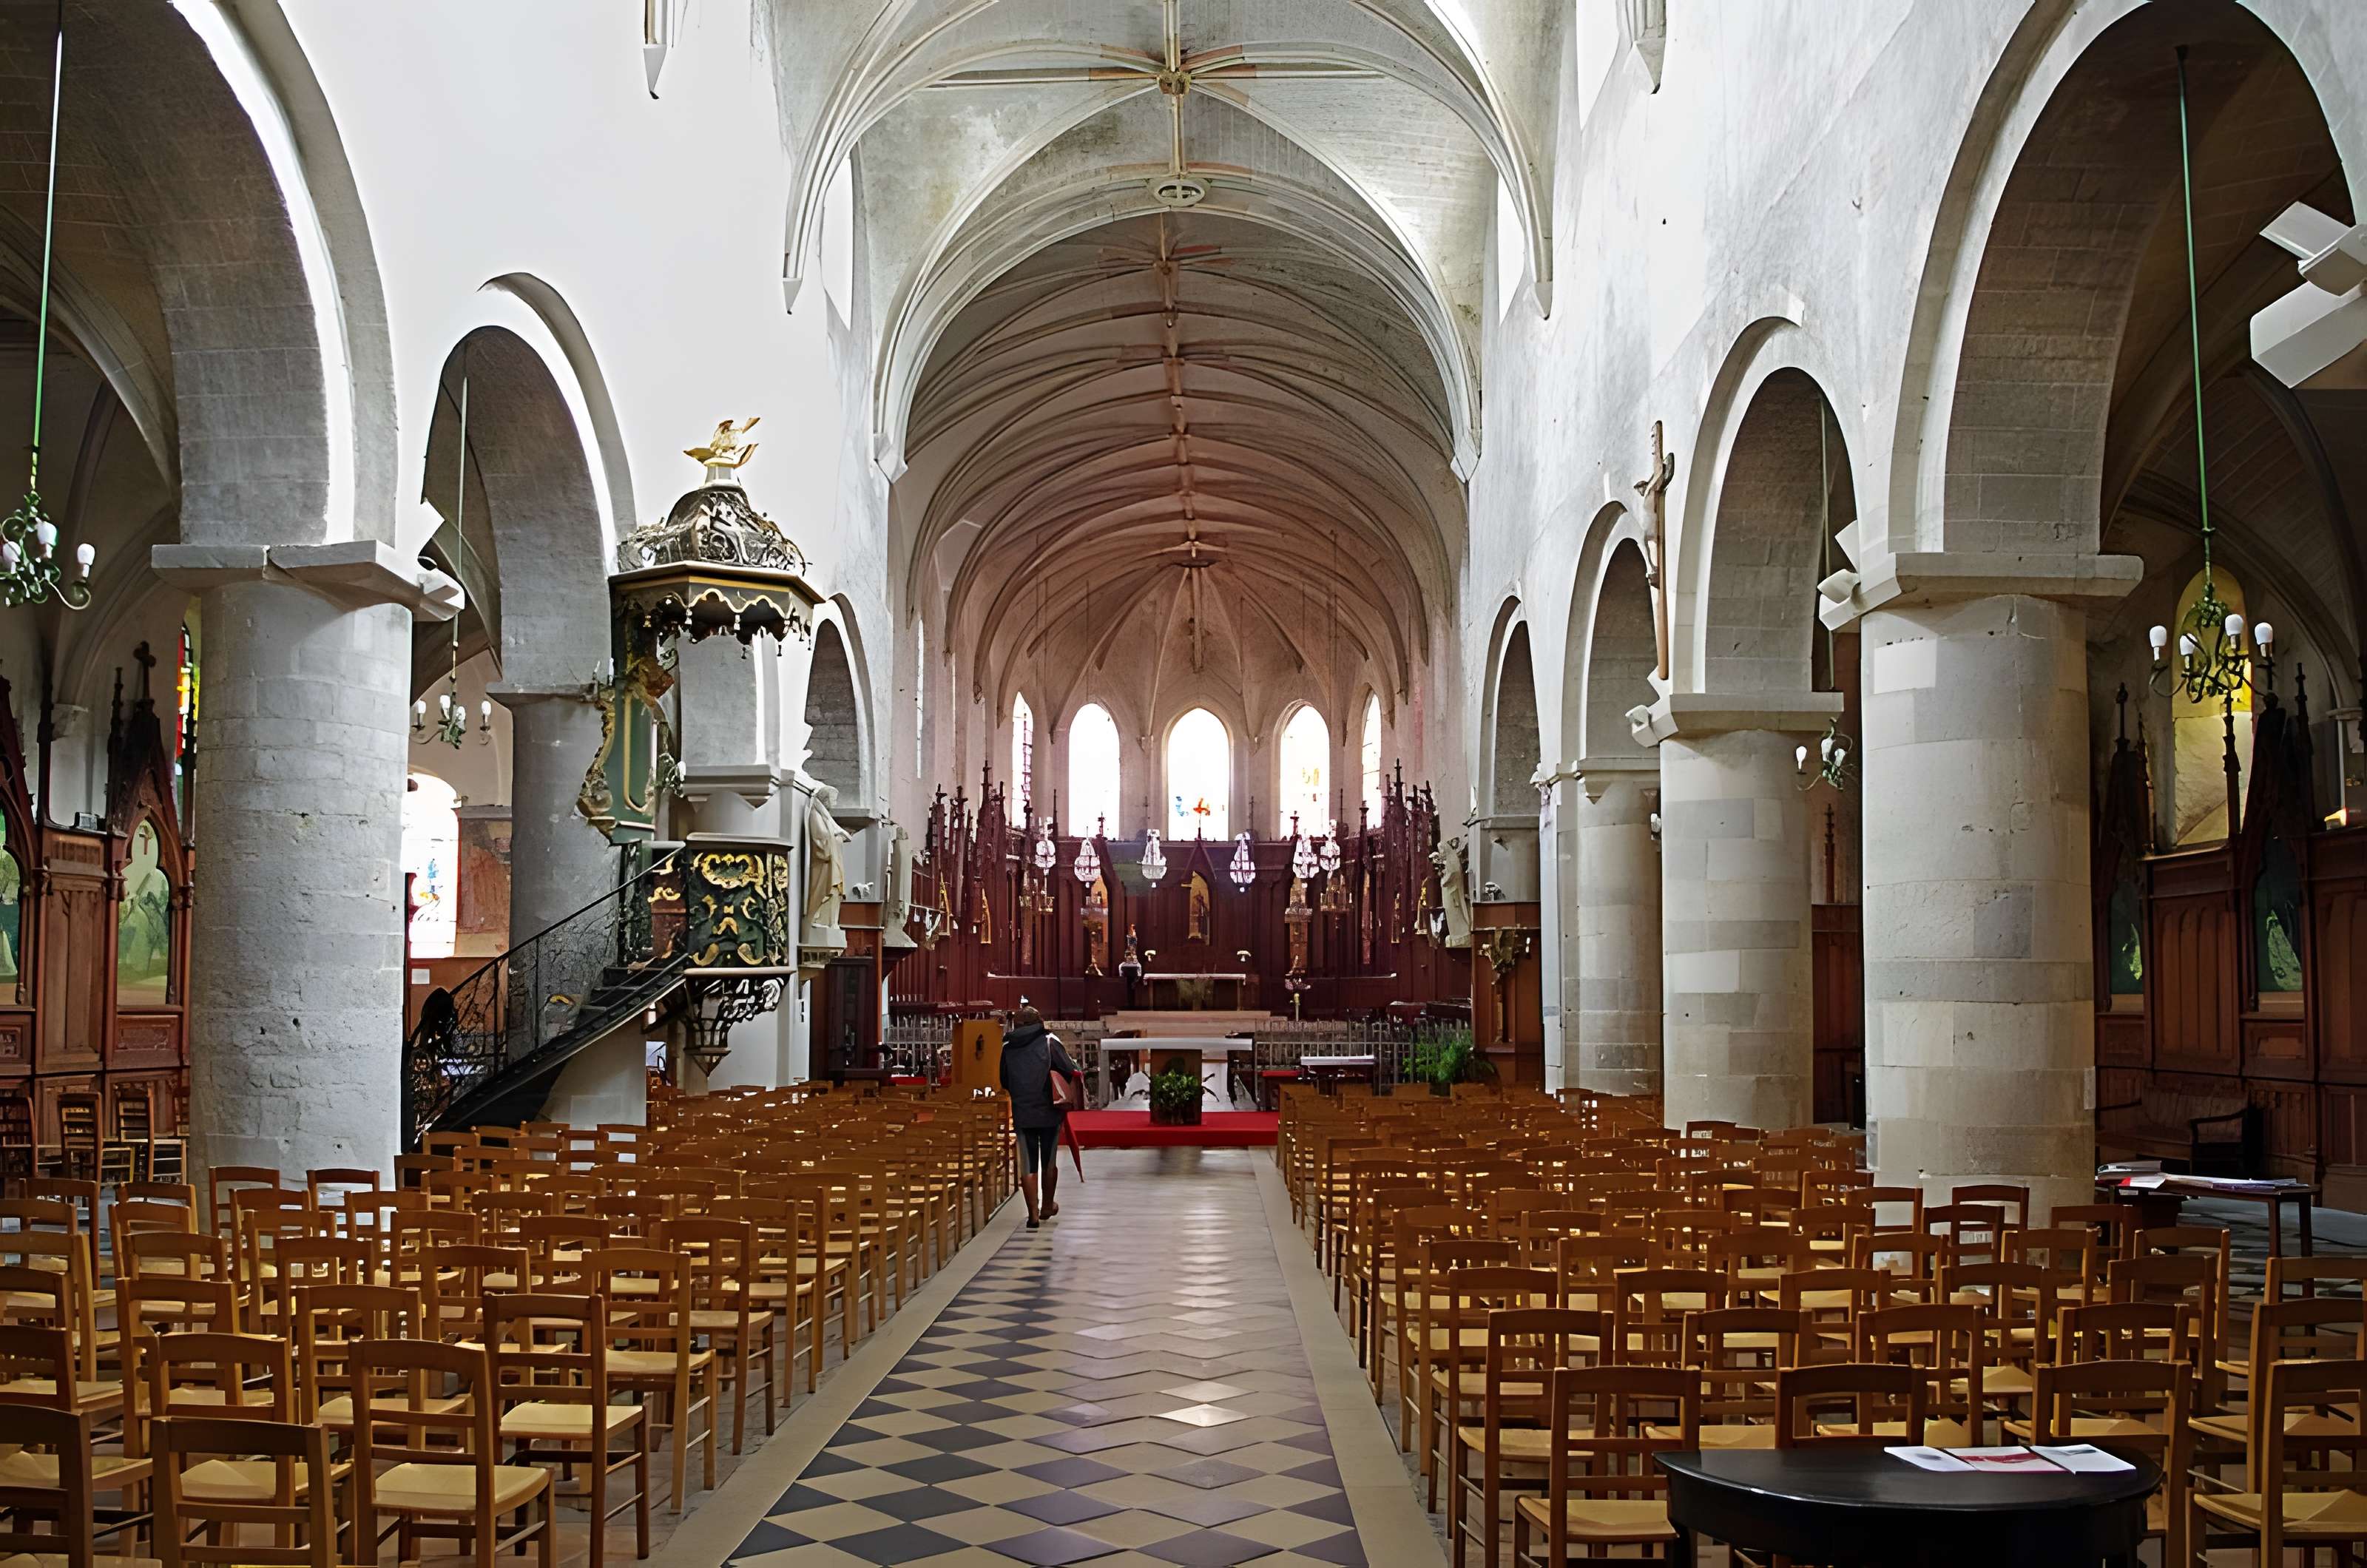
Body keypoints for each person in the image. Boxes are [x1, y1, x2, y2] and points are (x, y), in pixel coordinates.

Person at [999, 1004, 1078, 1229]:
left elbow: (1004, 1080)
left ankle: (1032, 1215)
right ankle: (1046, 1206)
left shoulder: (1008, 1047)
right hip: (1048, 1110)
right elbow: (1067, 1069)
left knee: (1028, 1163)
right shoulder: (1049, 1042)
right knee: (1049, 1159)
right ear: (1038, 1022)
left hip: (1023, 1111)